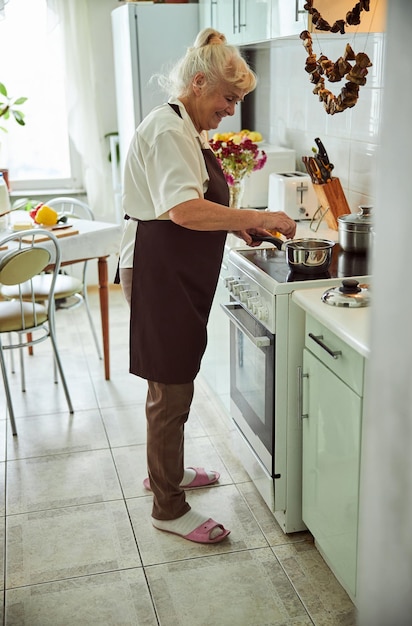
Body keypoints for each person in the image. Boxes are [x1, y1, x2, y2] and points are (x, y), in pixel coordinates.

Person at [118, 28, 297, 544]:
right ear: (199, 83)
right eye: (228, 98)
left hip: (173, 269)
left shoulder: (182, 124)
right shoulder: (170, 130)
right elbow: (184, 210)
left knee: (174, 383)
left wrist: (240, 224)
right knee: (169, 390)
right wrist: (253, 213)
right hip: (160, 269)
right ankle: (167, 507)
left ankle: (163, 475)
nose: (230, 111)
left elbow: (194, 198)